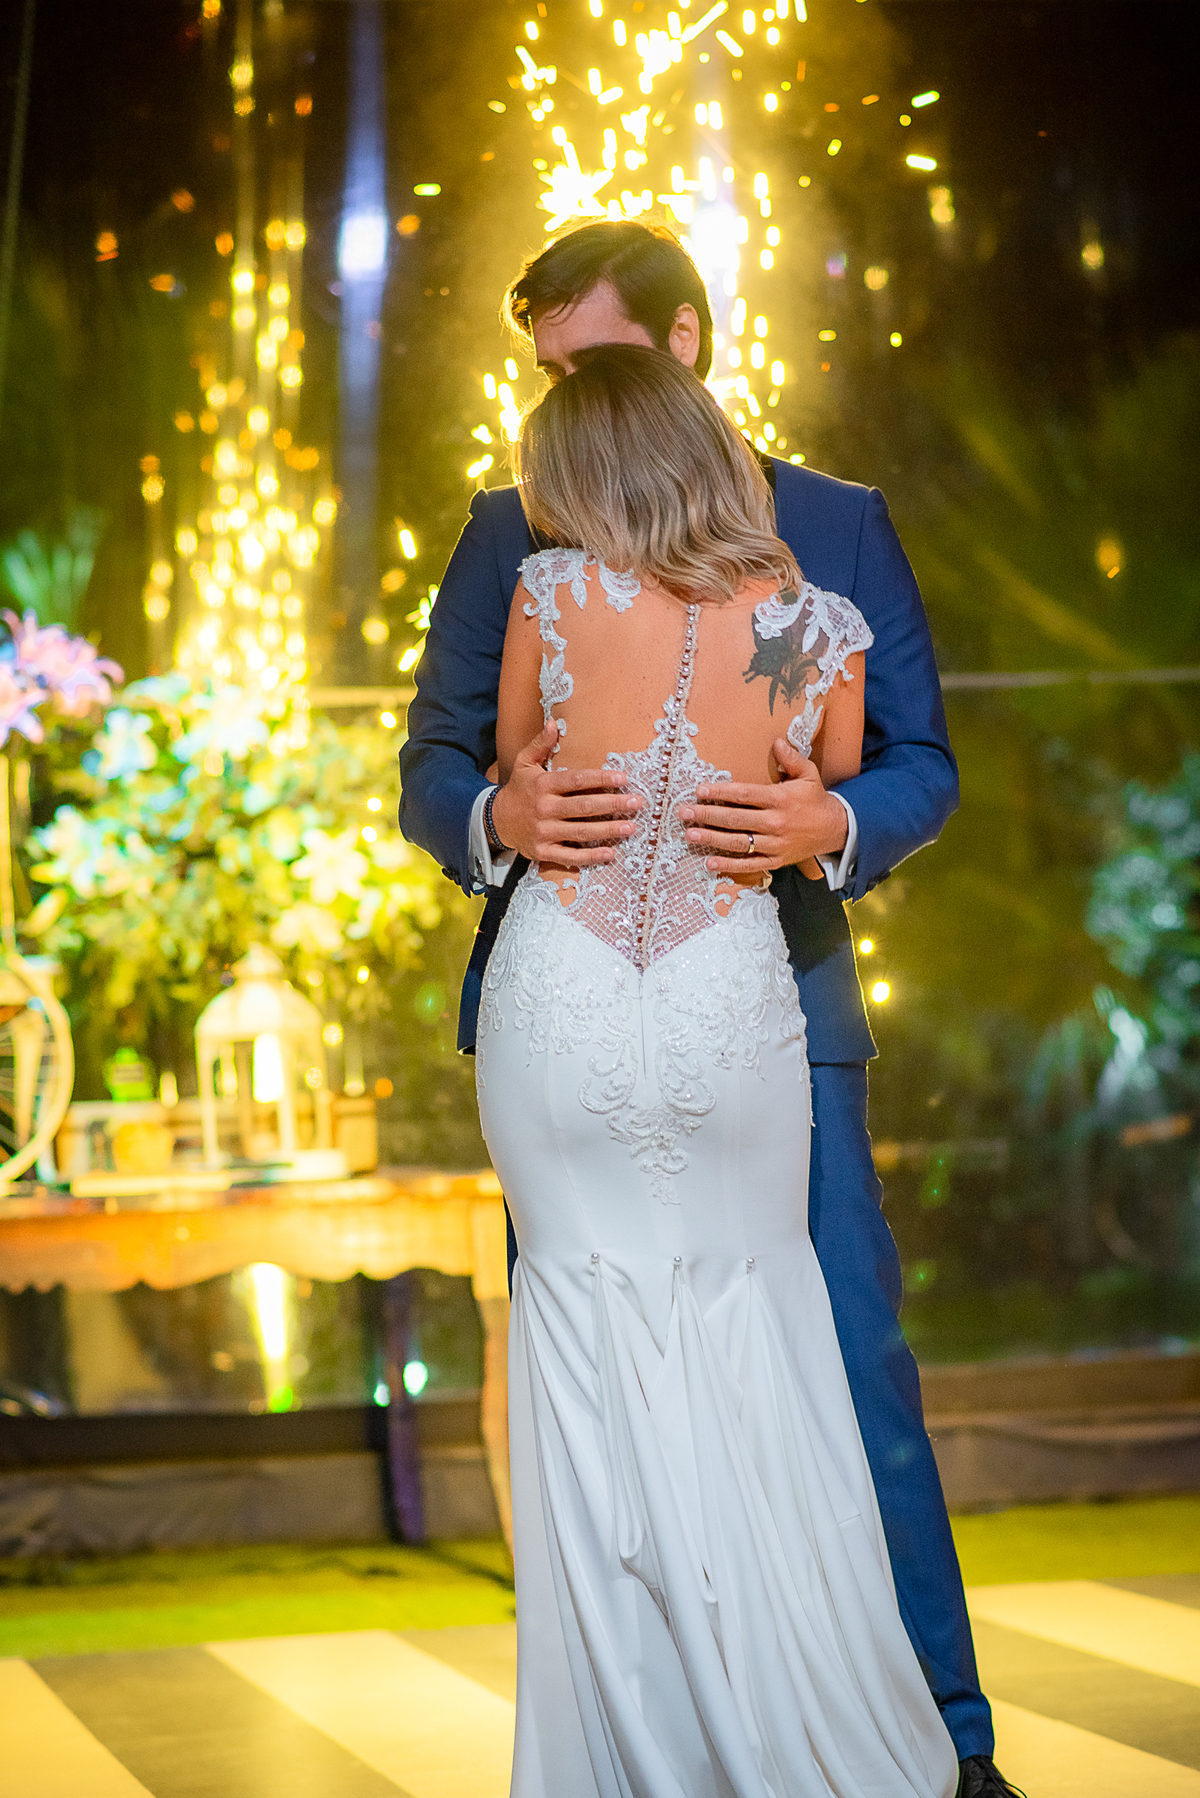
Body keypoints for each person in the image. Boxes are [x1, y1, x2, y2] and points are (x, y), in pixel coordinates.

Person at [399, 221, 1020, 1798]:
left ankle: (942, 1737)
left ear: (683, 343)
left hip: (772, 999)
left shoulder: (839, 525)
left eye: (592, 363)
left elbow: (918, 764)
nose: (562, 402)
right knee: (605, 1377)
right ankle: (653, 1737)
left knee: (843, 1362)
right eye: (546, 372)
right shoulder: (512, 533)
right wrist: (497, 816)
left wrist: (833, 821)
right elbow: (436, 763)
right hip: (574, 1015)